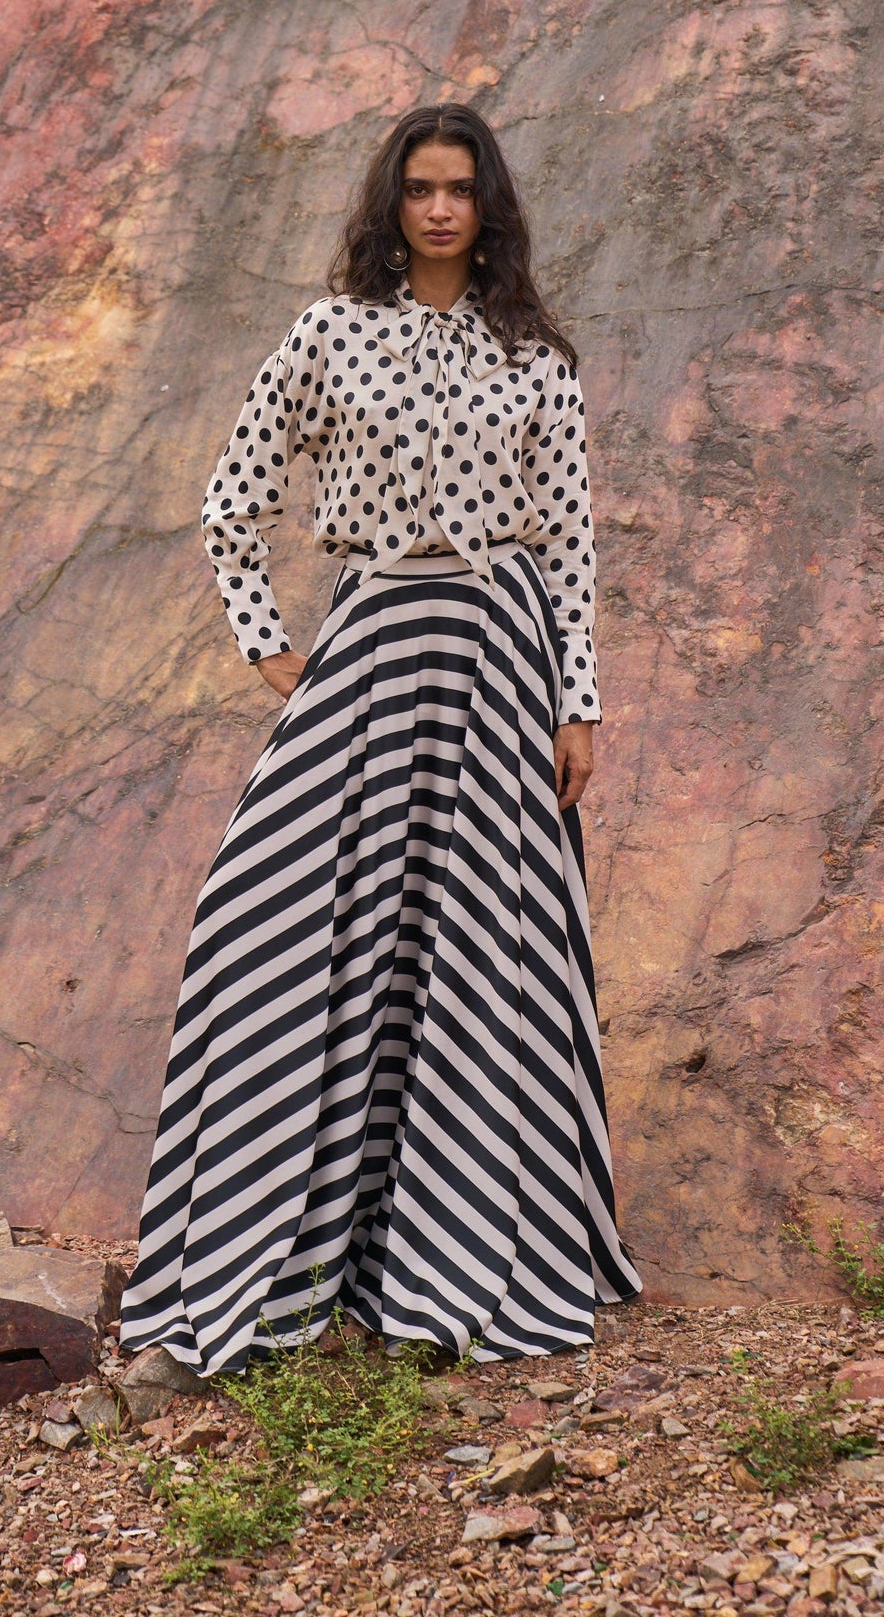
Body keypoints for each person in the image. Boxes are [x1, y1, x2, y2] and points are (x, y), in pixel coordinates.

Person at [120, 103, 641, 1373]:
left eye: (460, 188)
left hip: (498, 657)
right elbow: (232, 500)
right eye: (419, 188)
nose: (440, 208)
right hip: (367, 647)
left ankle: (454, 1252)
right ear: (390, 202)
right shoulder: (329, 333)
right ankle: (290, 1248)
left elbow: (569, 545)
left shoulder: (537, 357)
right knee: (292, 921)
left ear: (488, 204)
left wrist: (577, 700)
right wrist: (267, 644)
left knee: (479, 943)